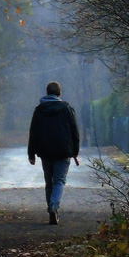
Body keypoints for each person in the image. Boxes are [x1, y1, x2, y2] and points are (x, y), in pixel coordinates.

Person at [28, 81, 81, 225]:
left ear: (47, 93)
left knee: (49, 182)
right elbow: (74, 131)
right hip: (63, 151)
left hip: (45, 151)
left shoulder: (39, 110)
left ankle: (51, 209)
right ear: (59, 93)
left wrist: (31, 154)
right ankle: (54, 207)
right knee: (59, 181)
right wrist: (75, 151)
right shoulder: (67, 108)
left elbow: (33, 133)